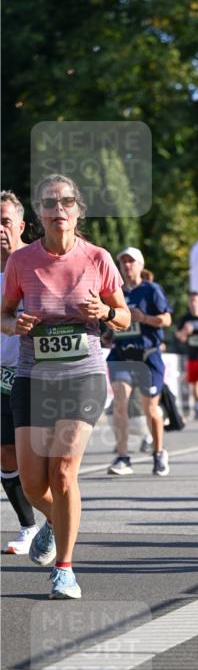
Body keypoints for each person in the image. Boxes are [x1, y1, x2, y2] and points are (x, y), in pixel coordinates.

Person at [0, 174, 129, 599]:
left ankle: (66, 569)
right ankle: (55, 521)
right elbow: (2, 315)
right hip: (34, 379)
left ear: (79, 209)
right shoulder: (22, 262)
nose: (59, 210)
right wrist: (13, 323)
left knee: (63, 472)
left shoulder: (97, 257)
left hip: (82, 376)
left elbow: (124, 316)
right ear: (38, 213)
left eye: (67, 202)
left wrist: (106, 313)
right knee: (35, 485)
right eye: (51, 204)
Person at [106, 246, 172, 476]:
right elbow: (113, 321)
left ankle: (159, 452)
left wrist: (144, 318)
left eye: (131, 261)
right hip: (122, 354)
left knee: (150, 408)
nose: (127, 265)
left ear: (140, 265)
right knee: (119, 403)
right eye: (123, 262)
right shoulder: (116, 291)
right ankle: (123, 457)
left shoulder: (152, 290)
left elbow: (166, 319)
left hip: (147, 355)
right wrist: (108, 334)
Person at [1, 191, 40, 553]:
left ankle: (59, 515)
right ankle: (29, 527)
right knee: (7, 453)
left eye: (5, 221)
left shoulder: (35, 261)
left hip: (39, 371)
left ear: (21, 225)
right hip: (2, 374)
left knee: (40, 459)